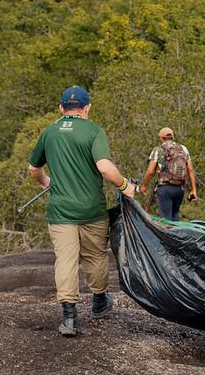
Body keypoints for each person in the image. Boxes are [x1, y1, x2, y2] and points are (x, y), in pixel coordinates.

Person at [28, 85, 136, 337]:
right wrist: (125, 185)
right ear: (87, 107)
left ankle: (69, 317)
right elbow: (105, 167)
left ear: (61, 108)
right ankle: (99, 302)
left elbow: (34, 168)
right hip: (91, 210)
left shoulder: (50, 132)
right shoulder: (94, 131)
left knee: (65, 260)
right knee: (95, 256)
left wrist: (46, 182)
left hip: (61, 211)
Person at [140, 127, 198, 221]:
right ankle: (177, 235)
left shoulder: (158, 150)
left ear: (161, 138)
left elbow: (150, 171)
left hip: (165, 188)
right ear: (173, 137)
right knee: (175, 218)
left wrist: (144, 186)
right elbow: (190, 170)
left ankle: (168, 236)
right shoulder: (183, 149)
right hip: (180, 189)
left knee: (166, 220)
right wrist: (193, 190)